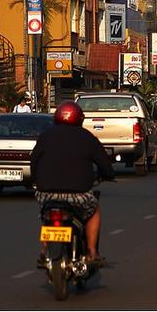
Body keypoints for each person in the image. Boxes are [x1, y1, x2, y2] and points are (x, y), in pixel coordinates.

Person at [30, 102, 115, 267]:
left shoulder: (46, 136)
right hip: (78, 194)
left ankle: (44, 249)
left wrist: (36, 179)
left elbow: (34, 161)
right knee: (94, 210)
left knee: (47, 213)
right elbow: (104, 162)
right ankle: (91, 251)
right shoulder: (86, 137)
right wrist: (109, 174)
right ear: (79, 118)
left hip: (46, 193)